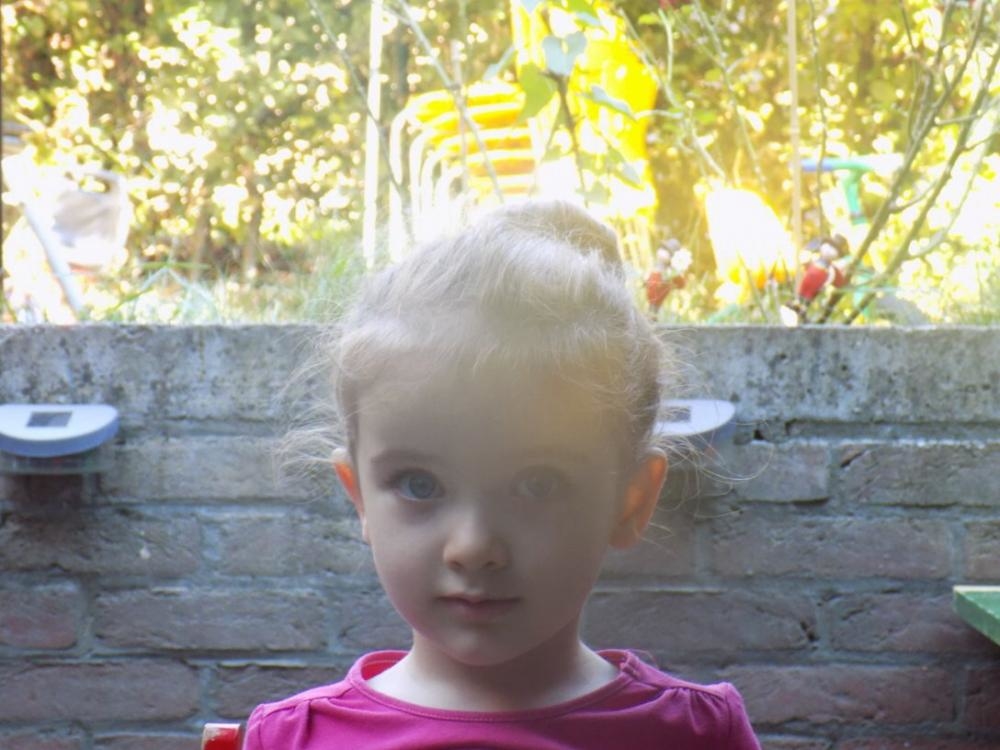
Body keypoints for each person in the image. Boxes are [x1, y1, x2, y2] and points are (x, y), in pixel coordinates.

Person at [244, 200, 761, 749]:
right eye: (419, 484)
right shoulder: (290, 739)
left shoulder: (697, 735)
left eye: (538, 485)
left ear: (631, 500)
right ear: (360, 498)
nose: (473, 548)